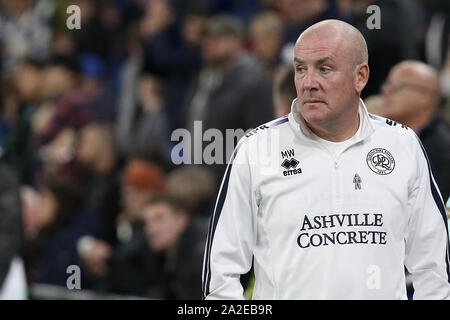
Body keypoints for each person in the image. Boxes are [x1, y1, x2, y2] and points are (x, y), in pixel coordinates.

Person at [202, 19, 450, 300]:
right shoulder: (257, 148)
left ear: (361, 76)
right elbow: (221, 273)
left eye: (324, 68)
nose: (309, 83)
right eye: (300, 69)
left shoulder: (402, 144)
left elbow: (433, 268)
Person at [381, 60, 450, 202]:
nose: (386, 91)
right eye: (387, 84)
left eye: (397, 86)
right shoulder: (379, 134)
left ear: (426, 96)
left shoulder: (442, 150)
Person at [143, 195, 208, 299]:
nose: (150, 230)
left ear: (181, 220)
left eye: (158, 218)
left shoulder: (201, 257)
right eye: (147, 222)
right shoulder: (165, 255)